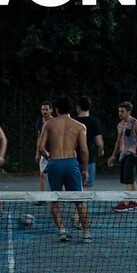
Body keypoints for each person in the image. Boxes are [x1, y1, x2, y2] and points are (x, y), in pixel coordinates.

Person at [36, 94, 91, 243]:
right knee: (79, 200)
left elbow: (40, 148)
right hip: (71, 164)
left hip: (54, 164)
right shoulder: (80, 126)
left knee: (54, 200)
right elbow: (84, 149)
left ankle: (62, 231)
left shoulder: (48, 124)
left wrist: (50, 158)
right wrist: (85, 169)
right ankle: (86, 234)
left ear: (56, 109)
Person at [107, 102, 137, 212]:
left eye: (122, 111)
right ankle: (135, 201)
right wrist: (113, 156)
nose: (120, 113)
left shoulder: (136, 124)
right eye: (119, 111)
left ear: (129, 112)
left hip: (133, 155)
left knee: (127, 180)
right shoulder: (120, 125)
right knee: (130, 179)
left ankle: (125, 203)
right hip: (123, 155)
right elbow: (118, 141)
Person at [76, 96, 104, 189]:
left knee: (74, 188)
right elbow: (99, 143)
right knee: (86, 188)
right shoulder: (94, 121)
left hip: (73, 159)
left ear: (78, 107)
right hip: (89, 160)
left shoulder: (73, 121)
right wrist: (101, 151)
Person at [34, 100, 54, 191]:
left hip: (54, 152)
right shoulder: (40, 122)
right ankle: (42, 195)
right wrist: (37, 153)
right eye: (43, 110)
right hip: (44, 152)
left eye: (46, 109)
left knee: (56, 175)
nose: (44, 111)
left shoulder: (55, 121)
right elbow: (39, 138)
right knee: (42, 174)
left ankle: (59, 194)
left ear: (51, 110)